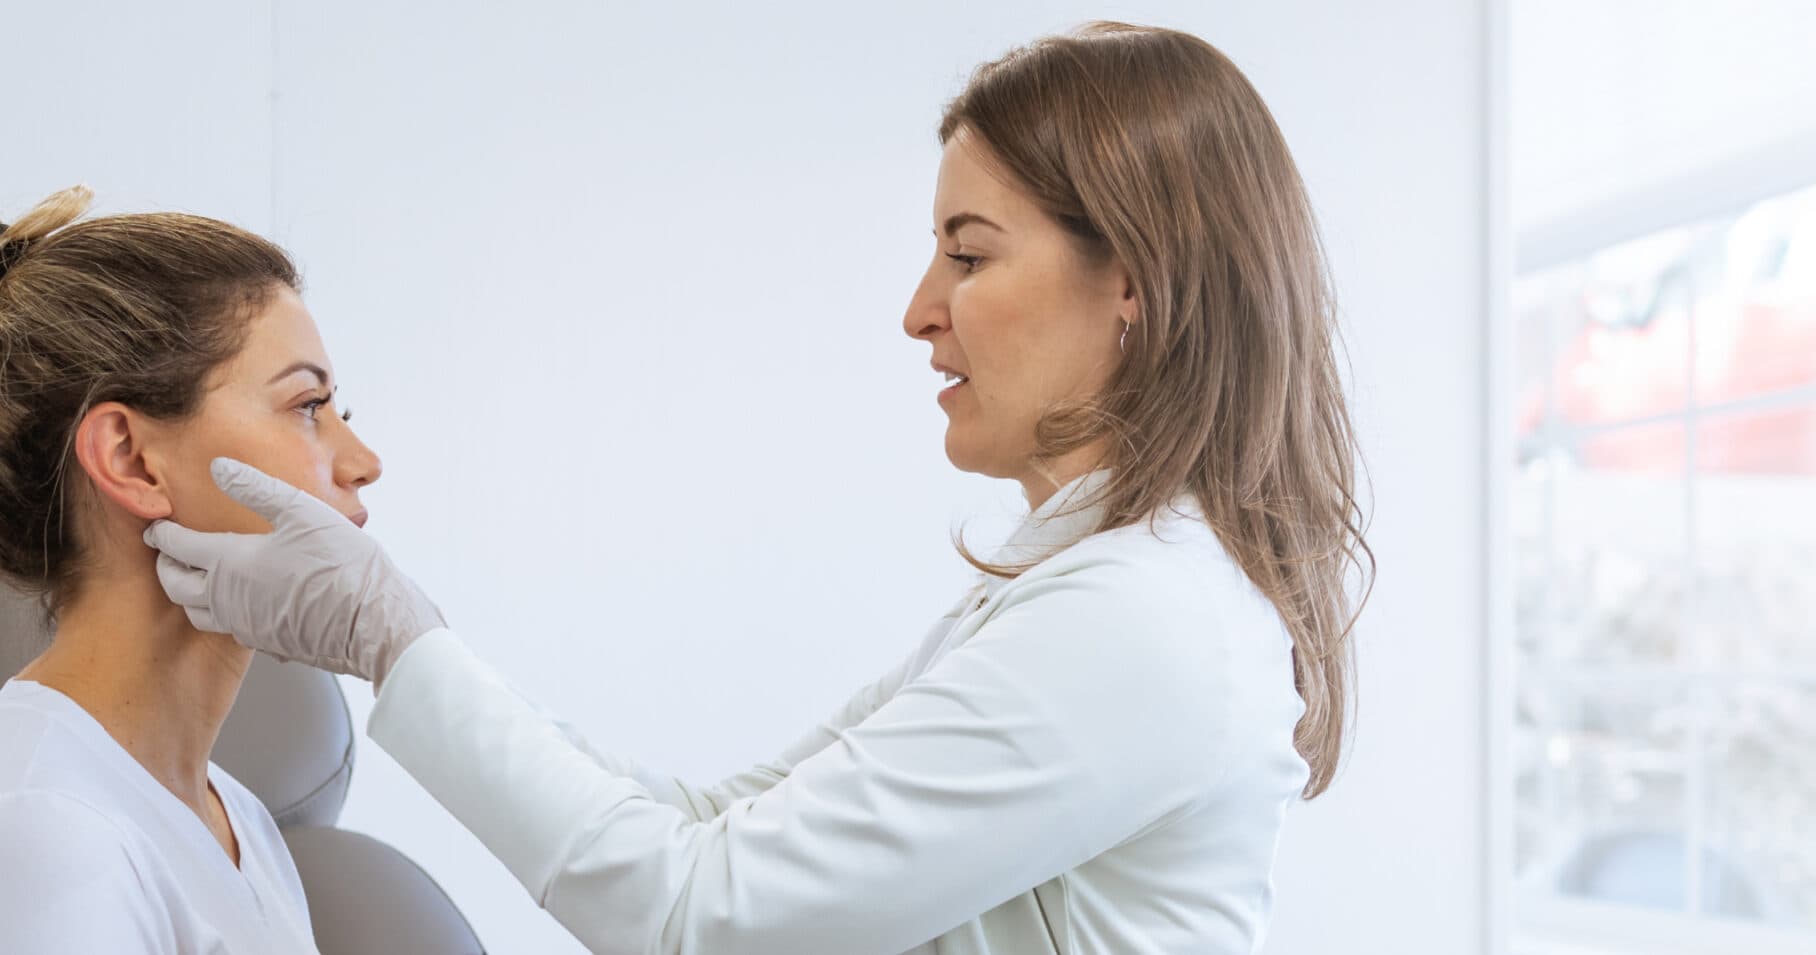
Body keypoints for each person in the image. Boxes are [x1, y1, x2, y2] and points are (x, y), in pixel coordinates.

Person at [147, 21, 1372, 955]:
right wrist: (406, 641)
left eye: (969, 252)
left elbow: (702, 915)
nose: (918, 309)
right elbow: (712, 828)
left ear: (1134, 283)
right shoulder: (1089, 589)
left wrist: (392, 639)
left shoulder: (1139, 622)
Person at [0, 184, 380, 954]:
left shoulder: (238, 818)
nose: (364, 463)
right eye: (308, 406)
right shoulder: (49, 827)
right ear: (131, 458)